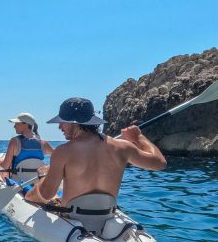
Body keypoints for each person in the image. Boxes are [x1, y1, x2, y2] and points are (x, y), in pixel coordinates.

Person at [25, 97, 166, 231]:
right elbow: (160, 163)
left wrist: (43, 174)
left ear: (75, 123)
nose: (60, 127)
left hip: (72, 217)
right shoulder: (123, 147)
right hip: (106, 215)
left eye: (63, 122)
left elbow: (47, 194)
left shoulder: (63, 152)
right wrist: (138, 138)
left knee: (30, 196)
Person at [0, 112, 54, 186]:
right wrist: (48, 167)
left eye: (16, 123)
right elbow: (60, 157)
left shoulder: (14, 141)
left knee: (2, 169)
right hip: (37, 183)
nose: (14, 126)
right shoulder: (44, 143)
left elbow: (5, 166)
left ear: (25, 124)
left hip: (18, 183)